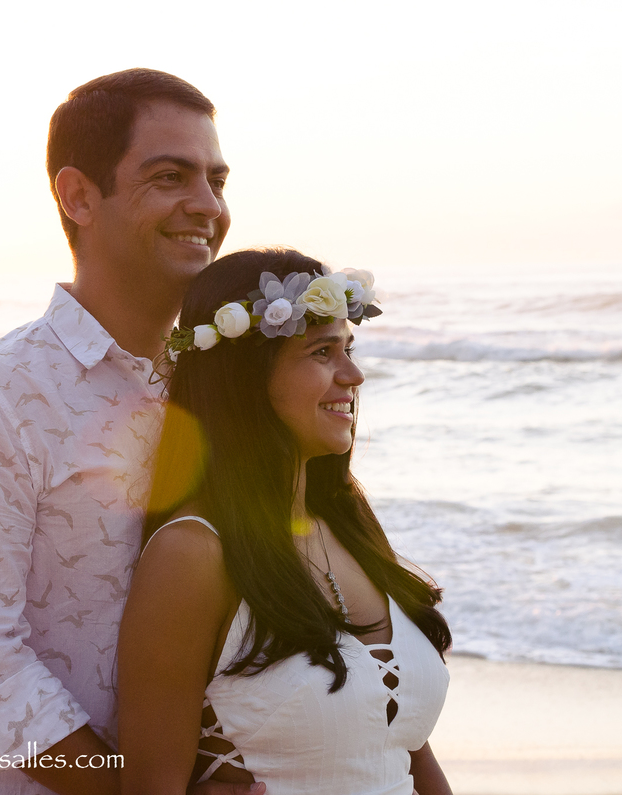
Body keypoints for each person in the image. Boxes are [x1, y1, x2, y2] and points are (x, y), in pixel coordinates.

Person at [0, 69, 256, 794]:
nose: (208, 206)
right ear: (78, 195)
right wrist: (134, 789)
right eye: (171, 176)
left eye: (217, 179)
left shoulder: (220, 387)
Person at [117, 248, 454, 795]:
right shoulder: (192, 554)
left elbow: (406, 749)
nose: (354, 374)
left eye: (349, 347)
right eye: (323, 352)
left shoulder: (348, 525)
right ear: (246, 377)